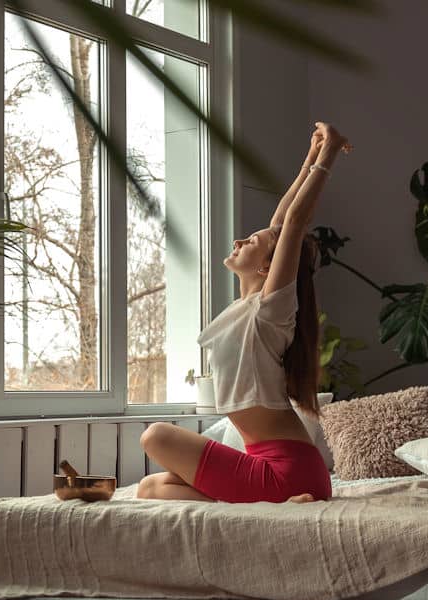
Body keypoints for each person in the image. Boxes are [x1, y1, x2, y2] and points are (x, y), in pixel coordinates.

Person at [136, 121, 351, 503]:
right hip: (274, 467)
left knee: (155, 436)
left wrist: (329, 152)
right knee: (152, 488)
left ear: (267, 267)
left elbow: (293, 226)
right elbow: (281, 223)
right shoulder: (248, 308)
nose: (239, 241)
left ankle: (273, 502)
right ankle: (256, 507)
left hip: (287, 469)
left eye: (251, 242)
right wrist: (309, 157)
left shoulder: (272, 311)